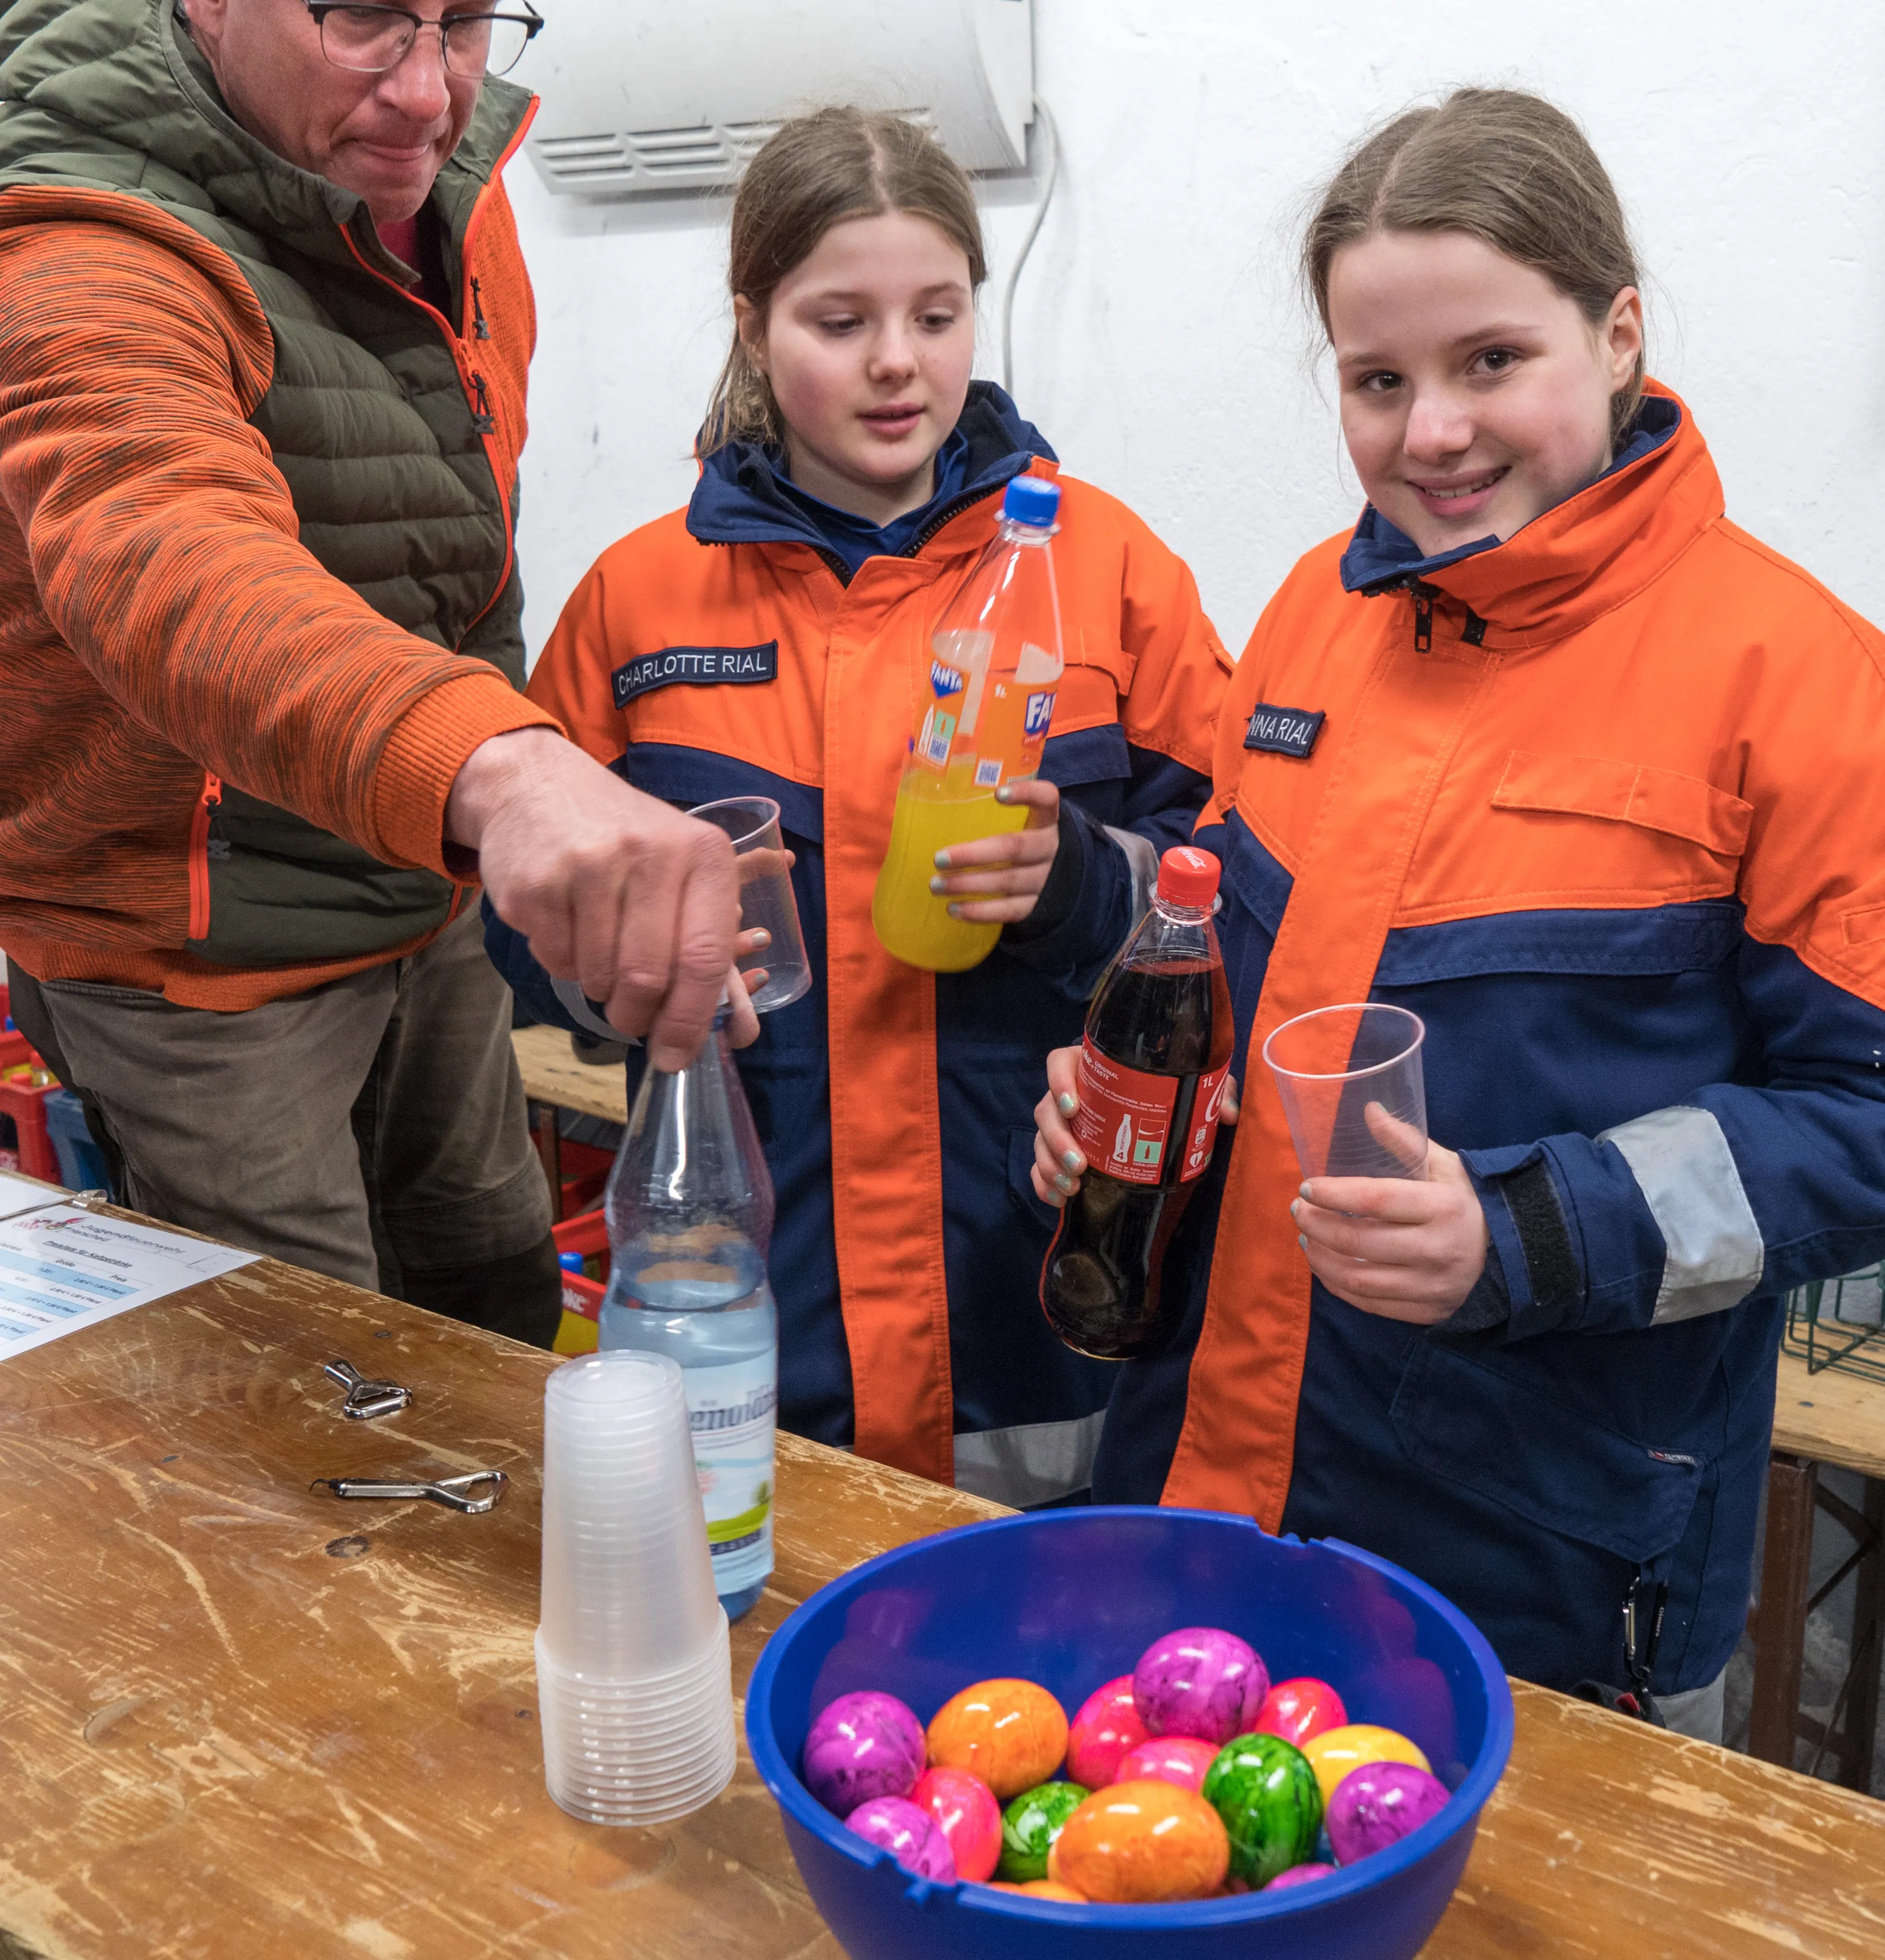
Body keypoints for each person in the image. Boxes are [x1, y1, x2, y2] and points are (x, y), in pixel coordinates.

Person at [1032, 87, 1885, 1737]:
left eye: (1492, 360)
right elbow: (1216, 955)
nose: (1432, 430)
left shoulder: (1804, 686)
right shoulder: (1305, 616)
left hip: (1533, 1565)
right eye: (1377, 380)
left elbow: (1868, 1118)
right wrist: (1123, 1105)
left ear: (1617, 330)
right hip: (1198, 1485)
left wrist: (1521, 1226)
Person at [0, 0, 745, 1345]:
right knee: (307, 1395)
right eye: (360, 16)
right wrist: (516, 770)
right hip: (199, 958)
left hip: (415, 872)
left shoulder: (431, 166)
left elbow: (434, 530)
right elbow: (173, 565)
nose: (428, 85)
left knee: (483, 1298)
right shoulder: (82, 236)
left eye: (469, 16)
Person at [486, 109, 1233, 1504]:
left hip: (1040, 1317)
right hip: (753, 1304)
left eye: (937, 314)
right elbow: (521, 916)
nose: (900, 361)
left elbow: (1249, 895)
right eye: (841, 319)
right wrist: (636, 976)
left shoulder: (1111, 571)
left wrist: (1080, 882)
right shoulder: (638, 605)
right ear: (754, 321)